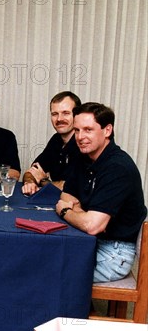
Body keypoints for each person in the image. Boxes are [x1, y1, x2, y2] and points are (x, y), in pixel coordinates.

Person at [55, 102, 146, 283]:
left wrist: (65, 211)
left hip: (114, 252)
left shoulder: (118, 167)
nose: (80, 137)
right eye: (77, 130)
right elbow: (67, 196)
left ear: (107, 130)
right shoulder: (83, 157)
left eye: (88, 130)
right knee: (41, 260)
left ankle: (71, 310)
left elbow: (93, 226)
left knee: (49, 274)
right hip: (89, 240)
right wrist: (83, 215)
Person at [22, 91, 82, 195]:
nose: (59, 119)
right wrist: (29, 183)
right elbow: (31, 171)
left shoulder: (83, 143)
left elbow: (71, 187)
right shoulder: (56, 139)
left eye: (66, 113)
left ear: (77, 115)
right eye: (55, 114)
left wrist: (43, 181)